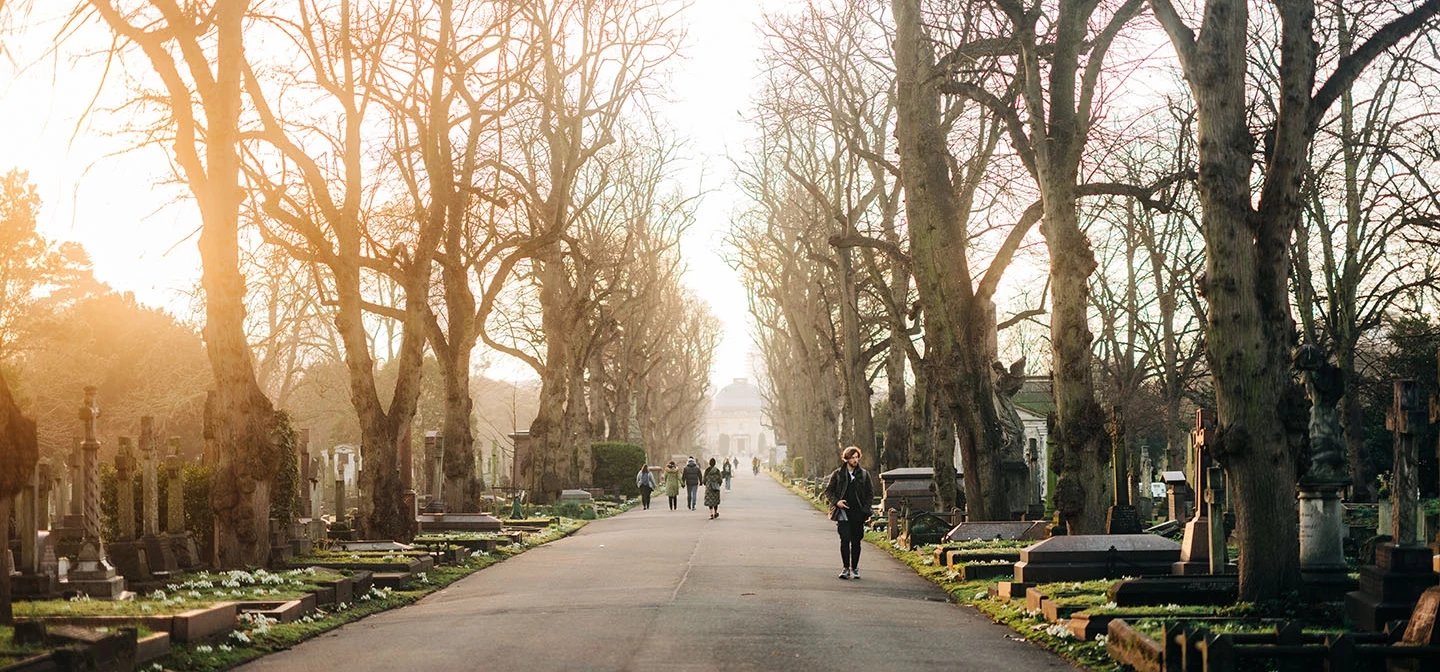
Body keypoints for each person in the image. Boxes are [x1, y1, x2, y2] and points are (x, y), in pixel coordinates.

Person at [825, 445, 874, 580]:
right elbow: (828, 491)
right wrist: (837, 502)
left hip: (858, 512)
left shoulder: (864, 474)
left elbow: (870, 493)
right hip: (843, 512)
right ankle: (846, 568)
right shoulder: (838, 474)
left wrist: (865, 509)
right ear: (846, 459)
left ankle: (855, 567)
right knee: (845, 540)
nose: (855, 460)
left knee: (856, 541)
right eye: (852, 457)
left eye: (857, 457)